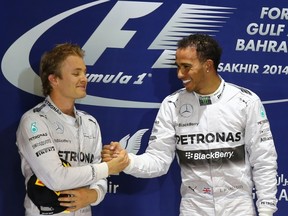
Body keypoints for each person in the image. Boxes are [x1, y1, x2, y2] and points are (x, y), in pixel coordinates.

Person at [102, 34, 278, 216]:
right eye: (178, 67)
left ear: (208, 65)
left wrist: (266, 210)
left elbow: (264, 160)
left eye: (186, 67)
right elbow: (158, 161)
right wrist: (127, 160)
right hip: (194, 208)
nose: (179, 74)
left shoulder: (245, 101)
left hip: (238, 207)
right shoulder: (172, 104)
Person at [16, 43, 129, 216]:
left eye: (84, 72)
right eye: (76, 73)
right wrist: (109, 167)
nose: (84, 78)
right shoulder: (34, 121)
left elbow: (99, 178)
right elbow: (56, 178)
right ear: (54, 79)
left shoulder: (90, 123)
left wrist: (93, 194)